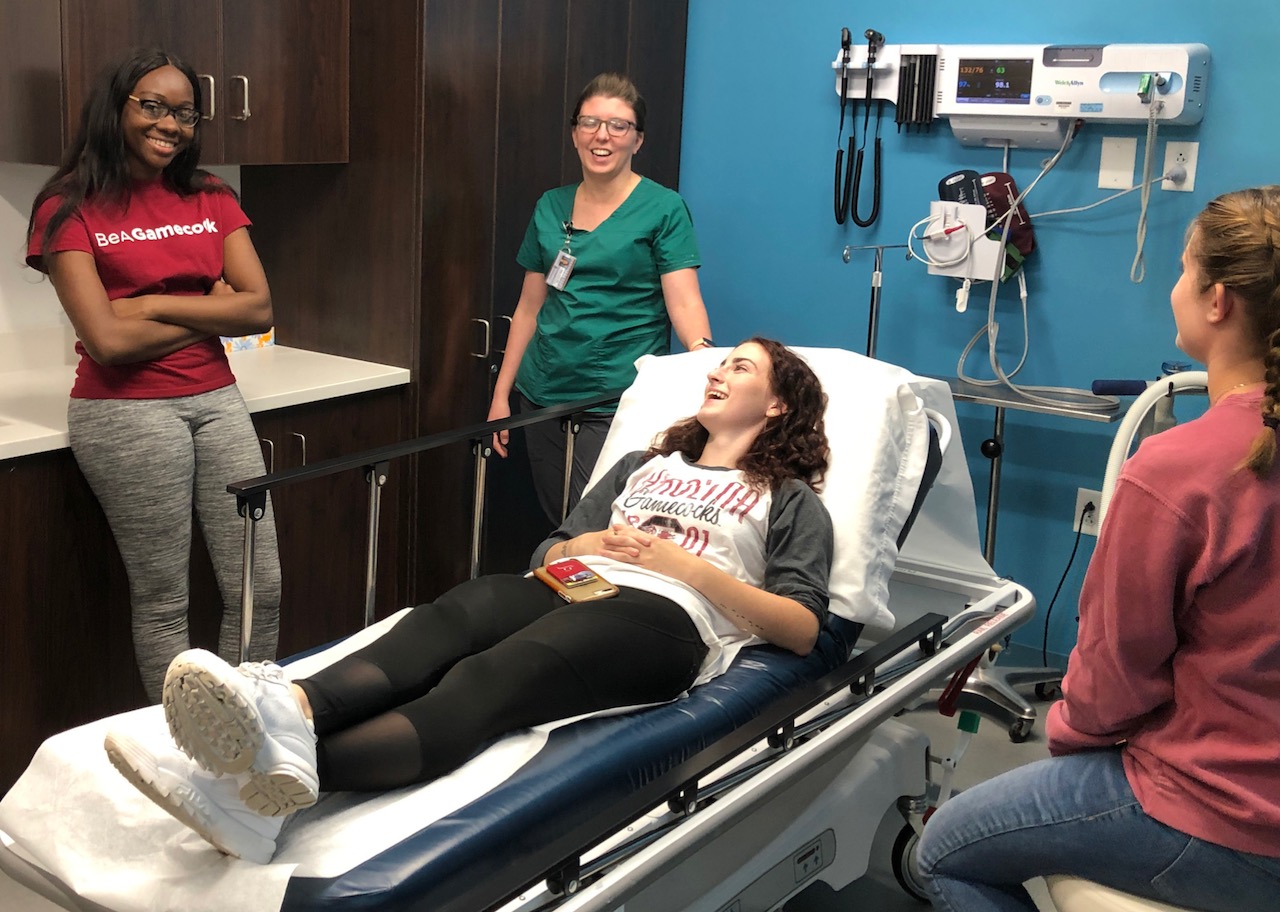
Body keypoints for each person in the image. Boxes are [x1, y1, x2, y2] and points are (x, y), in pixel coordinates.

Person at [103, 338, 835, 864]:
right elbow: (551, 548)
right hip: (579, 582)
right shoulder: (648, 464)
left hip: (666, 618)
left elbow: (802, 629)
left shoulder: (788, 499)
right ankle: (290, 715)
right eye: (719, 360)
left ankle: (280, 780)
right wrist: (587, 548)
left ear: (775, 406)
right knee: (452, 617)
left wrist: (688, 568)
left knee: (496, 674)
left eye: (739, 366)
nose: (717, 370)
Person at [917, 187, 1280, 912]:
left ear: (1218, 303)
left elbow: (1116, 681)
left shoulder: (1182, 470)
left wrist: (1068, 725)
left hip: (1226, 818)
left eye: (1182, 269)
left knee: (944, 853)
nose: (1173, 287)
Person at [25, 48, 282, 702]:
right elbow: (107, 341)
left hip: (217, 398)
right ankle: (182, 748)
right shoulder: (66, 206)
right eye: (154, 106)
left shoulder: (212, 196)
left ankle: (242, 728)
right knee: (166, 599)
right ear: (116, 108)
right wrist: (211, 307)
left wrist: (152, 303)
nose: (173, 123)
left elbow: (258, 307)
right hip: (125, 413)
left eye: (186, 113)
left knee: (261, 584)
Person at [487, 72, 715, 525]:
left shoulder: (663, 208)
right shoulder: (550, 206)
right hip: (544, 392)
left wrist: (703, 367)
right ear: (574, 134)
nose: (602, 135)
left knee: (598, 520)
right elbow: (530, 307)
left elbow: (684, 302)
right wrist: (501, 394)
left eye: (618, 125)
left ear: (638, 139)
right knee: (559, 518)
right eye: (590, 122)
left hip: (618, 395)